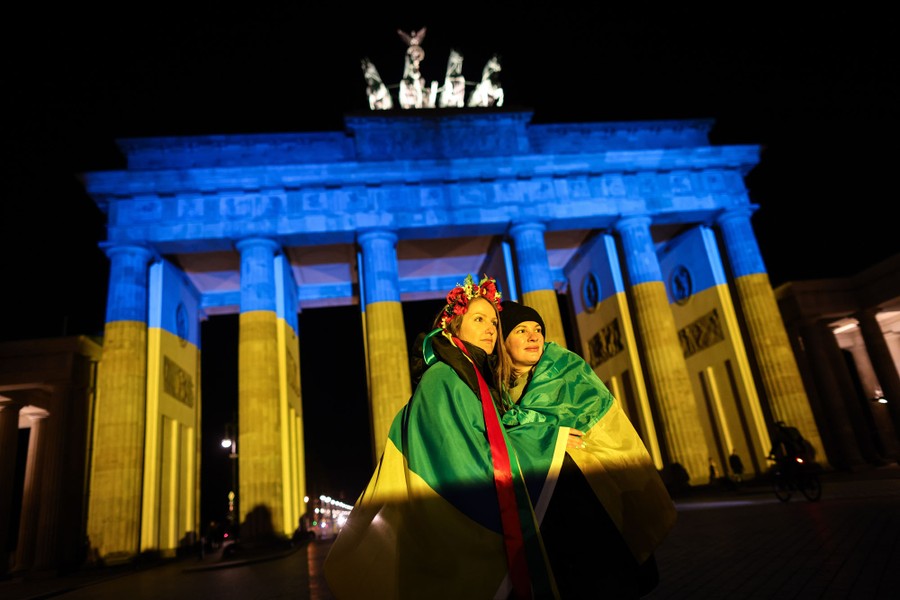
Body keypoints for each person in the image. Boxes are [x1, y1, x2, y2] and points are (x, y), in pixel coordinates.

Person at [323, 275, 556, 599]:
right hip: (458, 540)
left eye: (493, 321)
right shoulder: (444, 378)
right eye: (478, 319)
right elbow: (468, 466)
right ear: (451, 328)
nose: (491, 328)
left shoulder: (470, 377)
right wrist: (549, 448)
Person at [499, 301, 677, 599]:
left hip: (590, 499)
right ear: (503, 341)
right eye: (521, 330)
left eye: (538, 329)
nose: (534, 337)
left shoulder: (567, 370)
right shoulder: (495, 390)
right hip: (545, 513)